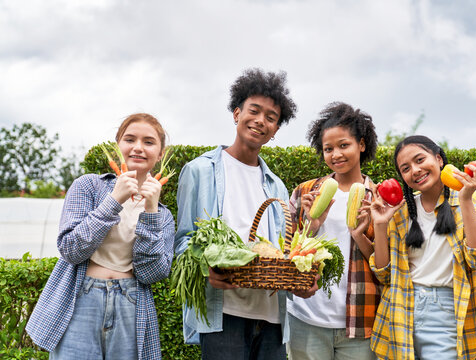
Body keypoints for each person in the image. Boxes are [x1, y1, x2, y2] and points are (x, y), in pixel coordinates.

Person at [175, 68, 313, 360]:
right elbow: (184, 241)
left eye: (271, 118)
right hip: (223, 315)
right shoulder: (200, 171)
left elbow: (281, 251)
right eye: (254, 110)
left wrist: (298, 280)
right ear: (237, 113)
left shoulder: (275, 184)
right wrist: (205, 269)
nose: (261, 121)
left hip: (271, 318)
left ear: (275, 131)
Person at [26, 113, 175, 359]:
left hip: (131, 301)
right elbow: (71, 249)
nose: (138, 147)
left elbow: (153, 273)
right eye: (130, 139)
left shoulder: (163, 214)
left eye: (149, 142)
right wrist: (114, 200)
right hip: (81, 297)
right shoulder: (88, 186)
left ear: (160, 153)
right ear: (119, 145)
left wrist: (150, 210)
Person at [369, 135, 476, 359]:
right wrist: (380, 225)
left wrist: (465, 199)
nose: (415, 170)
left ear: (439, 159)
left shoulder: (473, 200)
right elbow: (384, 274)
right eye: (406, 168)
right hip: (399, 309)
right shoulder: (400, 212)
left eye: (420, 160)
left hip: (445, 311)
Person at [287, 102, 380, 360]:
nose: (335, 154)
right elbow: (286, 256)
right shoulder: (305, 192)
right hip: (307, 318)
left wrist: (359, 233)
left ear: (361, 144)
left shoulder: (379, 199)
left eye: (343, 145)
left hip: (360, 322)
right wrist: (311, 227)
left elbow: (385, 267)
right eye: (328, 149)